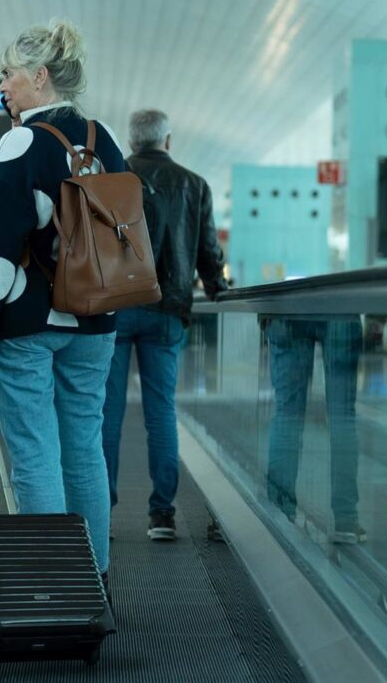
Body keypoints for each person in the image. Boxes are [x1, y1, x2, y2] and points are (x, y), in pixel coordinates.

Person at [0, 19, 123, 581]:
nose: (3, 85)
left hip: (28, 323)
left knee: (34, 454)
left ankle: (56, 584)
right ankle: (92, 579)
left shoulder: (21, 143)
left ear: (40, 77)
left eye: (9, 73)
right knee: (84, 450)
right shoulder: (103, 138)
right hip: (96, 320)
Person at [101, 108, 227, 540]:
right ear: (168, 141)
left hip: (114, 309)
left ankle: (103, 512)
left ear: (132, 143)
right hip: (168, 308)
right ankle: (162, 514)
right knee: (161, 412)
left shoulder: (112, 179)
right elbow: (208, 249)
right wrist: (215, 285)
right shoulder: (195, 184)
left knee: (107, 413)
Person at [264, 316, 364, 543]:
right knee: (343, 416)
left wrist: (265, 313)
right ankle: (345, 520)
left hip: (287, 306)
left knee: (287, 412)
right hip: (340, 303)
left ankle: (280, 511)